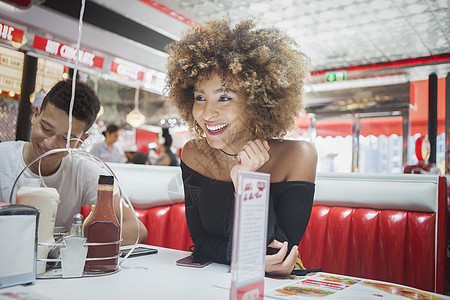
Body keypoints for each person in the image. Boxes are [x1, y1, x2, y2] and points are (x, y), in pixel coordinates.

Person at [166, 18, 317, 276]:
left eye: (224, 97)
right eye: (200, 97)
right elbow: (201, 243)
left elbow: (276, 255)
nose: (206, 113)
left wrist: (248, 182)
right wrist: (245, 260)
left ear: (257, 101)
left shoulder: (298, 156)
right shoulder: (193, 154)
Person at [0, 79, 147, 245]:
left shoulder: (83, 170)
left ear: (80, 141)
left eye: (65, 138)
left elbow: (136, 229)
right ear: (35, 115)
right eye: (46, 129)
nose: (49, 143)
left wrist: (70, 245)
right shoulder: (3, 158)